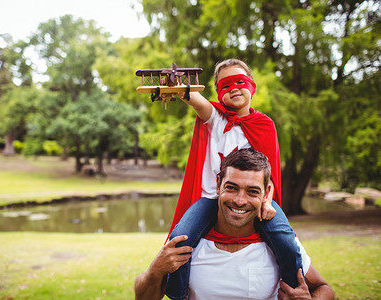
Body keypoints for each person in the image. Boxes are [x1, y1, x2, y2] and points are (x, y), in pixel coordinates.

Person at [164, 59, 301, 299]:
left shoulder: (265, 125)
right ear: (219, 93)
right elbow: (195, 100)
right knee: (179, 238)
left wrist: (267, 202)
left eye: (240, 82)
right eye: (226, 86)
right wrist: (179, 87)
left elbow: (271, 172)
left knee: (288, 243)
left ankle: (292, 289)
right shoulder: (214, 117)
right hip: (211, 199)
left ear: (252, 87)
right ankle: (178, 293)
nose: (235, 88)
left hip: (257, 198)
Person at [135, 148, 335, 300]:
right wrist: (155, 270)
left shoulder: (282, 244)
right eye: (231, 187)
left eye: (252, 191)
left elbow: (324, 289)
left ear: (266, 194)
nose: (240, 200)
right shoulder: (188, 244)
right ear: (218, 183)